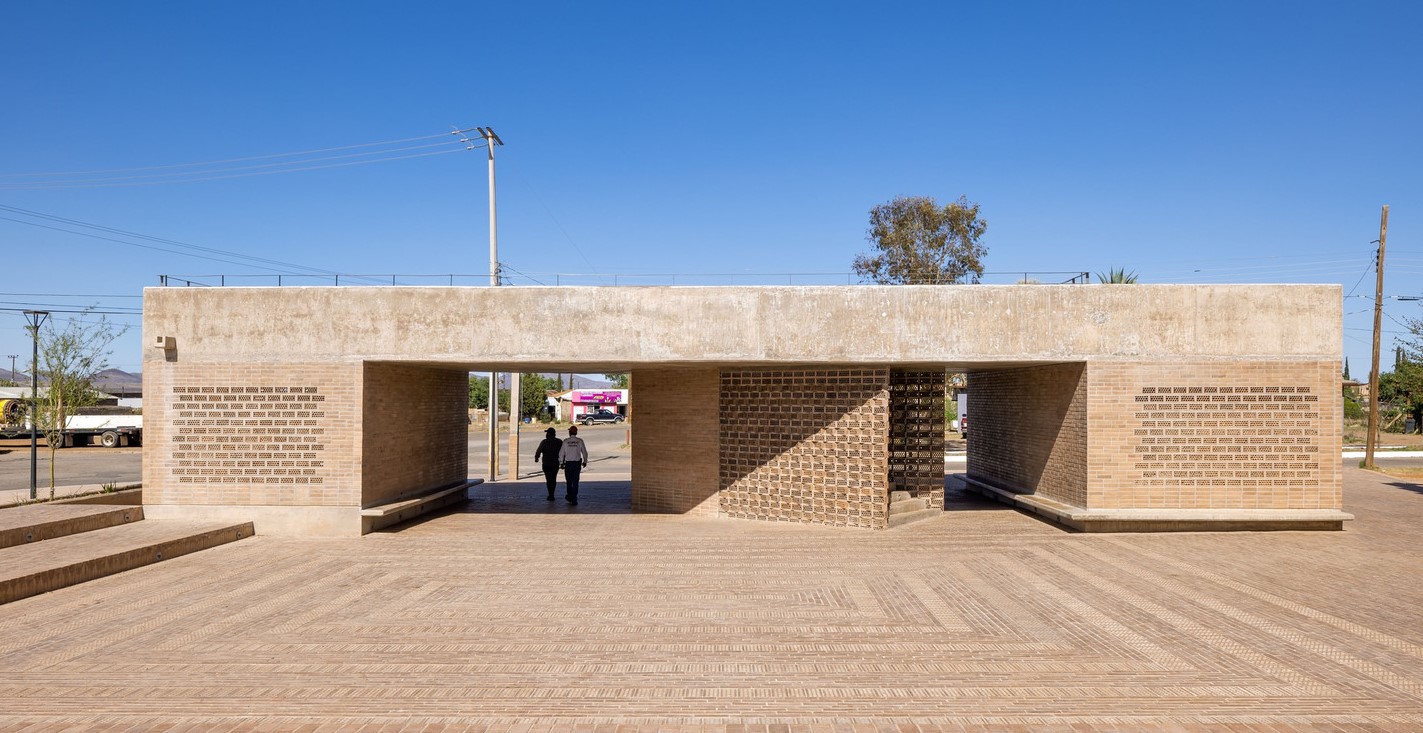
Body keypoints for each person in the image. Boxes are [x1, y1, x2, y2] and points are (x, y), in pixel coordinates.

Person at [558, 424, 589, 504]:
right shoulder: (580, 441)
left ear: (570, 432)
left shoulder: (566, 441)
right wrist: (585, 461)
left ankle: (570, 495)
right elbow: (584, 452)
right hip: (577, 464)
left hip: (568, 464)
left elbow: (561, 453)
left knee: (569, 481)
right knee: (575, 482)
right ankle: (574, 498)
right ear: (576, 433)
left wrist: (561, 463)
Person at [533, 427, 563, 501]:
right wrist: (563, 462)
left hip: (546, 464)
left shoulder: (544, 442)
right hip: (555, 464)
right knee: (553, 479)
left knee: (548, 479)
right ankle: (552, 494)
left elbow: (538, 451)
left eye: (547, 433)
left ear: (549, 434)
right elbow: (563, 452)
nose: (546, 434)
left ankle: (550, 494)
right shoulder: (559, 442)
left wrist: (536, 458)